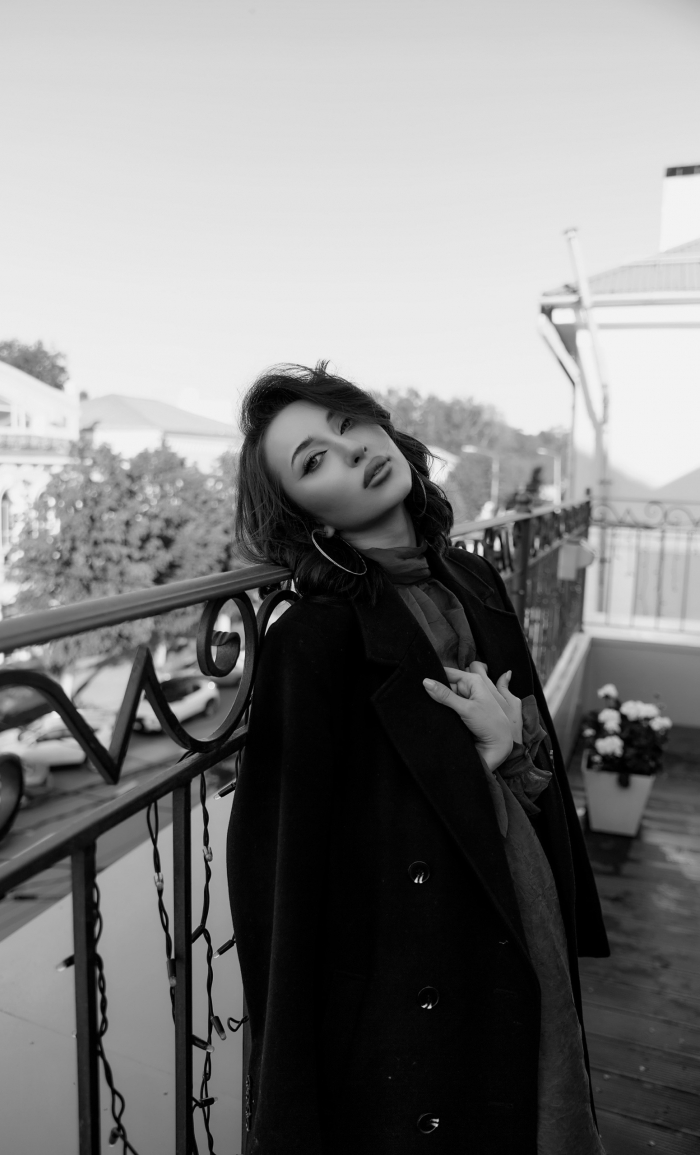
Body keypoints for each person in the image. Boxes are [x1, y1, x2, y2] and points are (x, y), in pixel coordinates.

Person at [226, 362, 609, 1155]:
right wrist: (287, 1098)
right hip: (414, 973)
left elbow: (529, 752)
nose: (352, 451)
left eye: (349, 425)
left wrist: (513, 743)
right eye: (314, 460)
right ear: (307, 518)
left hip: (521, 902)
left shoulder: (472, 576)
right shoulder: (313, 639)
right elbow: (285, 876)